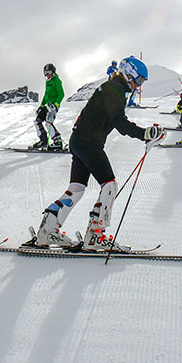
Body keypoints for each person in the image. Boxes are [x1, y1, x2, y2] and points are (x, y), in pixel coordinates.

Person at [30, 56, 163, 251]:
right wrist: (144, 134)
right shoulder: (114, 89)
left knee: (76, 188)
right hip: (88, 142)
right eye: (139, 80)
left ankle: (47, 230)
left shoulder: (113, 88)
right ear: (129, 73)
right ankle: (95, 235)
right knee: (109, 185)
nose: (139, 85)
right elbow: (119, 122)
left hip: (80, 140)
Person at [30, 63, 65, 151]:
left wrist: (55, 105)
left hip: (53, 106)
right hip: (47, 105)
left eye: (49, 72)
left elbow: (61, 94)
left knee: (48, 123)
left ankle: (58, 142)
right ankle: (43, 141)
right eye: (45, 73)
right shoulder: (48, 82)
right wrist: (41, 106)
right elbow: (46, 95)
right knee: (37, 121)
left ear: (53, 72)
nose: (47, 74)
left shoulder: (56, 80)